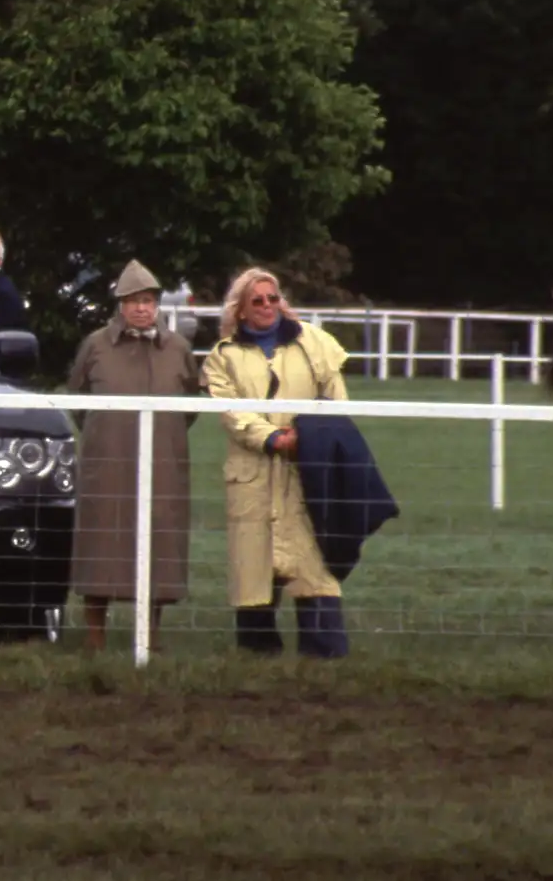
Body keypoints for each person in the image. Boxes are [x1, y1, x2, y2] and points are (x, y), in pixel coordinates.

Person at [203, 266, 351, 658]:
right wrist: (270, 438)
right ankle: (257, 655)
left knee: (313, 564)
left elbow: (336, 399)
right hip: (252, 475)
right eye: (257, 300)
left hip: (308, 468)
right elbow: (231, 411)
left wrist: (309, 436)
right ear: (240, 309)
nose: (267, 306)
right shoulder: (223, 357)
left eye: (273, 297)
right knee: (254, 568)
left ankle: (324, 653)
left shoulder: (314, 343)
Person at [67, 261, 203, 651]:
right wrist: (104, 437)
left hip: (161, 462)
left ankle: (151, 636)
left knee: (158, 541)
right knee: (101, 543)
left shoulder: (177, 348)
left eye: (148, 301)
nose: (142, 309)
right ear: (120, 305)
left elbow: (190, 406)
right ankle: (95, 637)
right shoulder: (95, 345)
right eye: (133, 301)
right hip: (107, 462)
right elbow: (77, 401)